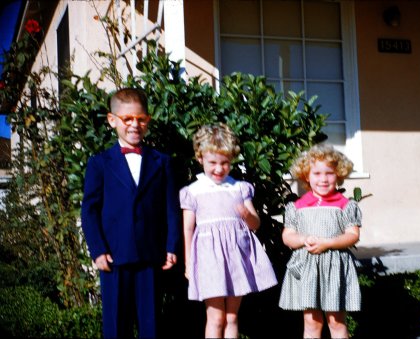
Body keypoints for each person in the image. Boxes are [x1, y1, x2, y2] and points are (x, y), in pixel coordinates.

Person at [81, 87, 181, 338]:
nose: (134, 125)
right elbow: (90, 210)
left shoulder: (162, 161)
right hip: (114, 257)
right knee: (116, 325)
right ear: (112, 120)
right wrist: (97, 249)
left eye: (141, 119)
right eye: (127, 119)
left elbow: (170, 208)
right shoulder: (99, 163)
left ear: (147, 120)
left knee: (152, 325)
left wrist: (171, 246)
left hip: (151, 256)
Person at [180, 123, 278, 338]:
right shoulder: (193, 191)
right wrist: (188, 263)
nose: (218, 168)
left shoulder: (239, 188)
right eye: (212, 162)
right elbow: (188, 228)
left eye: (224, 163)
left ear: (232, 161)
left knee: (232, 317)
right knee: (215, 318)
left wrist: (247, 215)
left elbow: (255, 224)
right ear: (200, 159)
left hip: (237, 258)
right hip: (209, 259)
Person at [279, 143, 362, 339]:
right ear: (307, 176)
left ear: (339, 175)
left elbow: (353, 235)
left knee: (336, 321)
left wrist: (328, 243)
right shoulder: (297, 206)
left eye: (329, 173)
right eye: (317, 173)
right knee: (311, 322)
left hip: (334, 268)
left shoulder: (346, 205)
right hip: (308, 269)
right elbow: (287, 236)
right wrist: (303, 238)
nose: (323, 179)